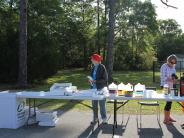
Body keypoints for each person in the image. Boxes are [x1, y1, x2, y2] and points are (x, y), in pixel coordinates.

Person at [88, 53, 108, 124]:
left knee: (102, 105)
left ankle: (104, 118)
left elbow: (105, 79)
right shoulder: (93, 67)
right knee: (94, 105)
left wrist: (96, 81)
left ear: (96, 60)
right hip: (93, 89)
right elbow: (91, 77)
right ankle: (95, 118)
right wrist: (90, 81)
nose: (91, 60)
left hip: (101, 89)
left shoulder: (102, 67)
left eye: (92, 59)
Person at [160, 54, 177, 124]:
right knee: (168, 102)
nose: (173, 64)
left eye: (174, 63)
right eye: (172, 62)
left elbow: (174, 76)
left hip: (171, 86)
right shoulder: (164, 66)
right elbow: (163, 77)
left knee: (170, 102)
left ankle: (168, 117)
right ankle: (165, 120)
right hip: (165, 86)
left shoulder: (173, 67)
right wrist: (170, 79)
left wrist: (175, 79)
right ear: (168, 61)